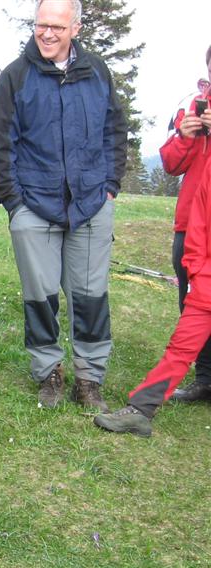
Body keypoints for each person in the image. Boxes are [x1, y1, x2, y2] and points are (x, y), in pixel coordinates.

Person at [0, 0, 127, 411]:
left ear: (75, 29)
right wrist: (14, 203)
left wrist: (110, 187)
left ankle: (89, 378)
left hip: (91, 203)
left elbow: (114, 130)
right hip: (34, 204)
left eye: (57, 27)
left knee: (91, 298)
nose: (47, 33)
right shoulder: (16, 76)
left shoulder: (97, 72)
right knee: (40, 297)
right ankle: (48, 371)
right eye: (41, 25)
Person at [95, 160, 211, 437]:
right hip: (207, 281)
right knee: (180, 347)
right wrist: (196, 269)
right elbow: (198, 220)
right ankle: (141, 410)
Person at [157, 46, 211, 404]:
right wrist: (185, 137)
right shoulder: (191, 104)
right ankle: (205, 379)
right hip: (191, 224)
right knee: (193, 303)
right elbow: (170, 164)